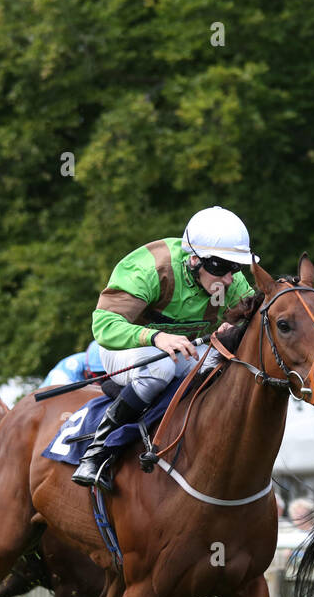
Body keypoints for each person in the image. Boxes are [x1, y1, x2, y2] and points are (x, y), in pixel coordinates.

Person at [73, 206, 259, 490]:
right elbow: (104, 326)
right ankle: (98, 451)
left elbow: (256, 320)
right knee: (161, 366)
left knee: (223, 367)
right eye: (221, 268)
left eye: (235, 267)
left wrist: (236, 328)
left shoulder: (228, 282)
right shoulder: (150, 268)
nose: (230, 279)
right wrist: (155, 337)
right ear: (194, 259)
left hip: (184, 352)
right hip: (124, 350)